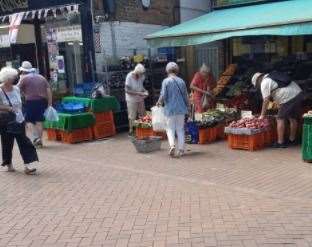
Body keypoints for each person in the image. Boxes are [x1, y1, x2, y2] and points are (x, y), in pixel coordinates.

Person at [0, 67, 38, 174]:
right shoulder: (0, 90)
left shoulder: (16, 89)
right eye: (12, 78)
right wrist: (7, 108)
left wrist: (23, 119)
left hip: (19, 120)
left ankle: (28, 165)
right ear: (6, 79)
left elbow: (20, 104)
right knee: (7, 143)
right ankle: (8, 163)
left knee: (24, 142)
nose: (14, 79)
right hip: (6, 121)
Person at [252, 72, 303, 148]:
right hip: (298, 93)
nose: (258, 86)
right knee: (292, 117)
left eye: (257, 85)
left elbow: (266, 100)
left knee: (280, 119)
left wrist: (262, 115)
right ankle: (292, 140)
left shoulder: (264, 82)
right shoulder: (272, 76)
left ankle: (280, 142)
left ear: (258, 79)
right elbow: (280, 89)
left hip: (289, 98)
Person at [157, 62, 189, 158]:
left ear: (167, 70)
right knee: (180, 129)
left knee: (170, 129)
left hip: (170, 109)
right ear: (177, 70)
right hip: (181, 109)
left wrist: (159, 102)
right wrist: (188, 106)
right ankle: (181, 150)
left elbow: (163, 95)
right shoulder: (181, 81)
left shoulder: (166, 81)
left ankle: (172, 145)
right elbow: (185, 96)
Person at [18, 61, 52, 148]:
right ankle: (39, 141)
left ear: (23, 71)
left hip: (30, 102)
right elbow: (48, 90)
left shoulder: (24, 78)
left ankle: (36, 138)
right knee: (39, 121)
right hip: (42, 101)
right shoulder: (41, 77)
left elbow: (17, 89)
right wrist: (49, 103)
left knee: (28, 120)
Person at [125, 63, 149, 135]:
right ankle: (131, 130)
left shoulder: (142, 76)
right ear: (137, 72)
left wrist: (145, 91)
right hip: (131, 99)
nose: (142, 75)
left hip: (140, 98)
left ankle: (143, 129)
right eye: (140, 74)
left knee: (143, 114)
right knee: (132, 116)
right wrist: (139, 93)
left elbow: (141, 86)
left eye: (142, 74)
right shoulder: (129, 76)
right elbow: (127, 90)